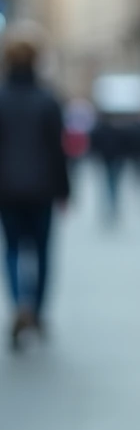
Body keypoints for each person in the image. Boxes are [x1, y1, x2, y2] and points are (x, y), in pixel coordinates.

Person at [0, 37, 70, 349]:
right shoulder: (48, 99)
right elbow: (58, 151)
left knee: (13, 250)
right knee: (42, 252)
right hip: (42, 189)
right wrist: (65, 190)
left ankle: (20, 305)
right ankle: (38, 312)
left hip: (7, 189)